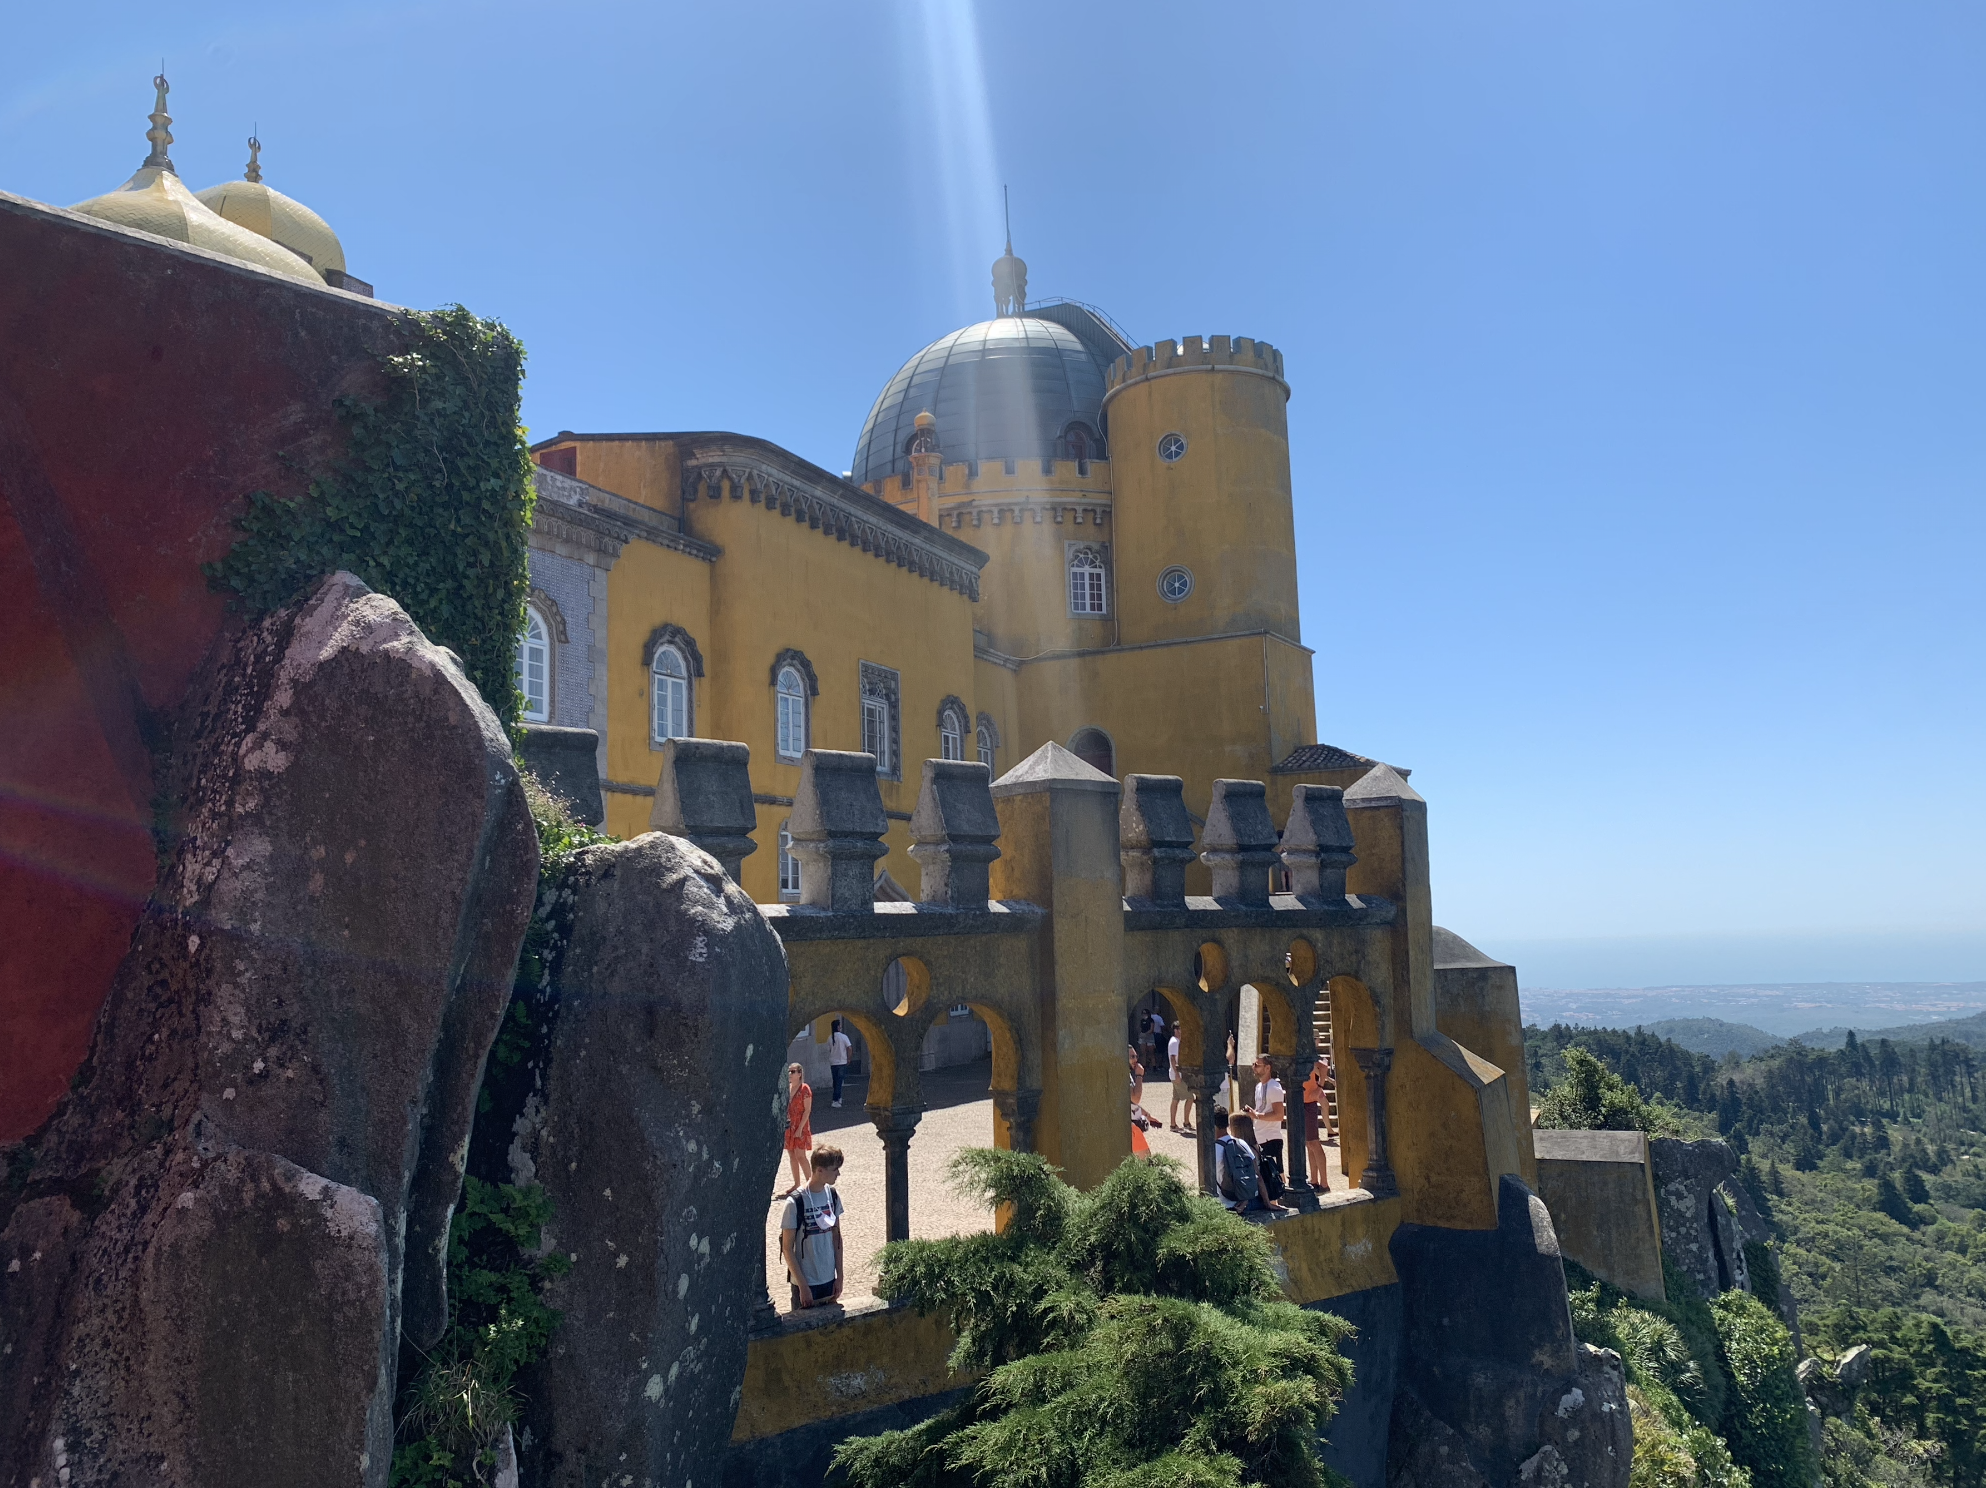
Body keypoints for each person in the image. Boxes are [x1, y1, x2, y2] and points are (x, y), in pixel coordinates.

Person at [779, 1144, 845, 1310]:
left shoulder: (833, 1195)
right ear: (820, 1170)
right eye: (834, 1169)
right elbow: (787, 1248)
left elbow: (837, 1238)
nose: (838, 1173)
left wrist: (840, 1277)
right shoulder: (795, 1202)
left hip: (829, 1280)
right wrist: (803, 1287)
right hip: (806, 1283)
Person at [1229, 1113, 1288, 1213]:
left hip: (1252, 1199)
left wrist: (1267, 1204)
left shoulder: (1244, 1149)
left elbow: (1256, 1177)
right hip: (1258, 1196)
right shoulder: (1256, 1146)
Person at [1247, 1056, 1287, 1174]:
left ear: (1268, 1068)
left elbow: (1279, 1115)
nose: (1254, 1067)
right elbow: (1261, 1108)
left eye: (1257, 1065)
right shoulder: (1258, 1087)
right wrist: (1252, 1113)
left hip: (1271, 1138)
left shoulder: (1274, 1087)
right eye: (1253, 1064)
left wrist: (1257, 1115)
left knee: (1276, 1175)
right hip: (1259, 1137)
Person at [781, 1062, 813, 1196]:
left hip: (801, 1124)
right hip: (789, 1125)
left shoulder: (805, 1089)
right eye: (789, 1071)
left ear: (799, 1074)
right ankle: (796, 1183)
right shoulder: (788, 1088)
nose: (790, 1074)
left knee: (800, 1155)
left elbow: (807, 1110)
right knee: (792, 1155)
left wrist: (800, 1128)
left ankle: (811, 1183)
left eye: (793, 1071)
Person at [1302, 1062, 1330, 1191]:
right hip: (1300, 1101)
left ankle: (1324, 1183)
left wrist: (1320, 1087)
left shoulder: (1310, 1055)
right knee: (1309, 1144)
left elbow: (1324, 1067)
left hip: (1309, 1103)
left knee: (1314, 1143)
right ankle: (1314, 1180)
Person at [1167, 1026, 1191, 1132]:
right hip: (1177, 1074)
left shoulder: (1176, 1041)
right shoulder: (1174, 1042)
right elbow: (1173, 1059)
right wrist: (1177, 1074)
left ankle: (1173, 1124)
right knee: (1190, 1097)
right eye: (1180, 1029)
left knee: (1175, 1099)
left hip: (1175, 1074)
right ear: (1176, 1030)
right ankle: (1186, 1122)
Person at [828, 1018, 852, 1108]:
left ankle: (838, 1098)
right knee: (839, 1082)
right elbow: (849, 1047)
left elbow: (829, 1050)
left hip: (833, 1062)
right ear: (838, 1027)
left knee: (835, 1082)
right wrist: (849, 1058)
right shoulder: (843, 1037)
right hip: (841, 1062)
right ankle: (836, 1100)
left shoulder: (830, 1038)